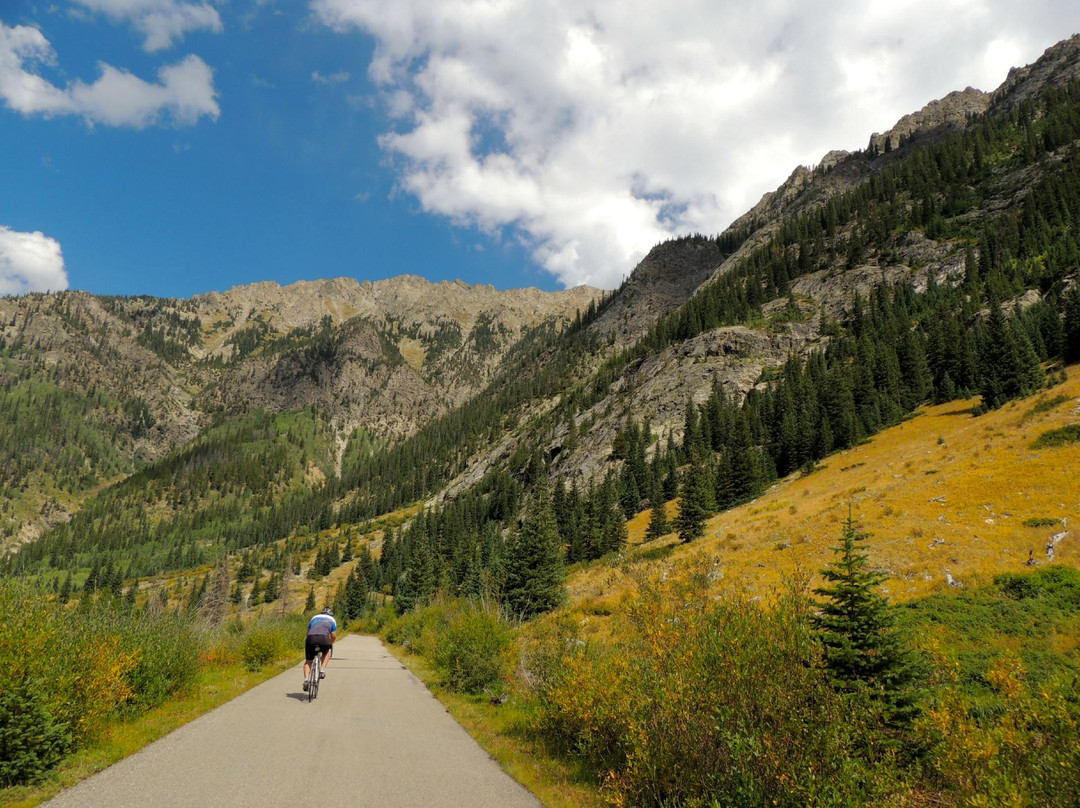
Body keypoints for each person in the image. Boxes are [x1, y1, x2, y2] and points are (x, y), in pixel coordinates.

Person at [303, 607, 337, 691]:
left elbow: (307, 632)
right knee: (326, 653)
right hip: (324, 638)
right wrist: (330, 644)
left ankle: (306, 680)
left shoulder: (314, 618)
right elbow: (333, 636)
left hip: (311, 638)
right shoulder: (332, 619)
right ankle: (322, 670)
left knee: (308, 661)